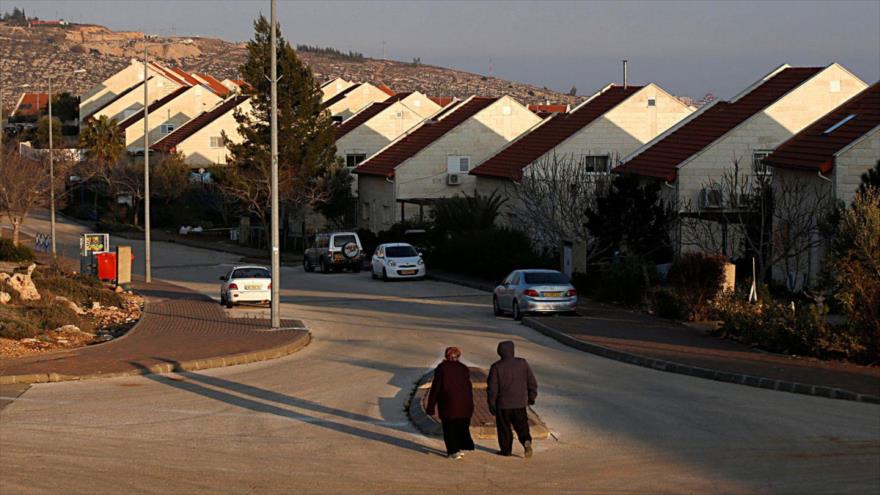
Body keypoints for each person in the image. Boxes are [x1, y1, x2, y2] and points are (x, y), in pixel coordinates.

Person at [487, 340, 538, 458]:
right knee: (521, 425)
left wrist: (491, 403)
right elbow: (532, 382)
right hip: (520, 403)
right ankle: (526, 440)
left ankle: (506, 450)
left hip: (503, 404)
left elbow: (492, 388)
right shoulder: (522, 363)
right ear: (513, 351)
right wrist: (532, 396)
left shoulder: (496, 367)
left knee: (504, 428)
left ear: (499, 352)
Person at [426, 347, 475, 459]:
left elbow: (436, 389)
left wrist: (431, 407)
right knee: (461, 426)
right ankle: (458, 448)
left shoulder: (442, 368)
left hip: (448, 403)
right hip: (464, 404)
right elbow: (468, 387)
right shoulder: (463, 368)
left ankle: (453, 451)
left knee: (449, 428)